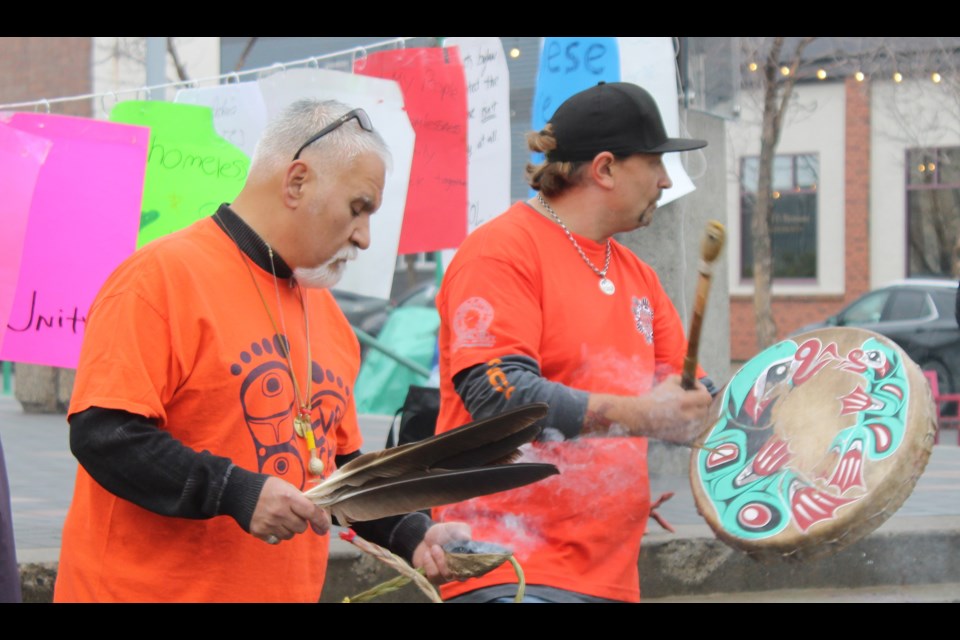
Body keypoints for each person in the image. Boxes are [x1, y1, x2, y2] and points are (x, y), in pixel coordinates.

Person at [53, 99, 469, 603]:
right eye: (358, 208)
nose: (363, 236)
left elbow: (335, 470)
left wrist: (412, 532)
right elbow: (106, 435)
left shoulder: (330, 318)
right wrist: (238, 492)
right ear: (297, 181)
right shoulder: (159, 279)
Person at [432, 81, 715, 603]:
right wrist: (645, 416)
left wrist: (703, 405)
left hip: (609, 572)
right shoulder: (500, 251)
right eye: (654, 163)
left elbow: (683, 394)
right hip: (508, 565)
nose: (666, 179)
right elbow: (500, 397)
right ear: (605, 169)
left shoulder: (639, 277)